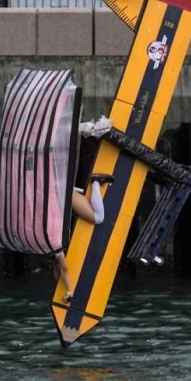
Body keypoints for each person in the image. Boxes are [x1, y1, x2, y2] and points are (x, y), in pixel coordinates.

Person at [50, 115, 114, 304]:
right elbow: (60, 270)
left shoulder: (56, 246)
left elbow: (64, 269)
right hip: (65, 195)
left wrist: (69, 291)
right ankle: (91, 185)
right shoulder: (51, 240)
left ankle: (95, 182)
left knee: (99, 218)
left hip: (66, 195)